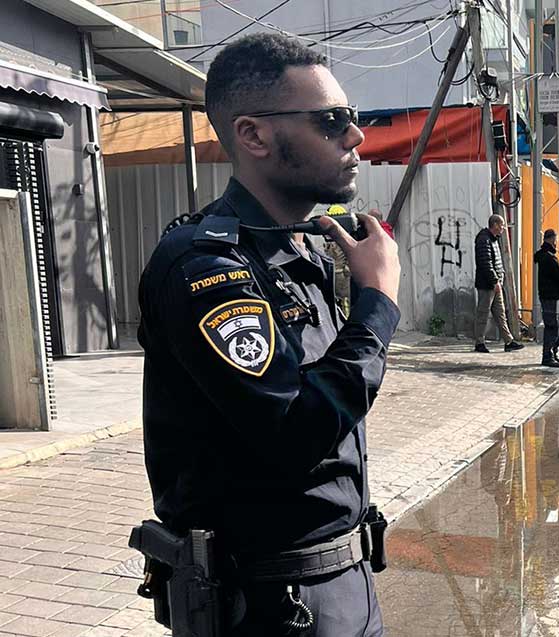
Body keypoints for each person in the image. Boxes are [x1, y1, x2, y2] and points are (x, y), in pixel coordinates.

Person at [135, 33, 397, 635]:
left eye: (353, 119)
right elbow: (292, 434)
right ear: (254, 135)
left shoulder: (300, 249)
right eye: (332, 122)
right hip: (267, 605)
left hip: (343, 584)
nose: (356, 137)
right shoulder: (207, 266)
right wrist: (378, 305)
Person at [474, 213, 523, 353]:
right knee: (483, 314)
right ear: (495, 225)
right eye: (501, 225)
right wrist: (495, 280)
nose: (503, 228)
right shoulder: (484, 239)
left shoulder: (493, 239)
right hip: (487, 284)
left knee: (500, 313)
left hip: (496, 284)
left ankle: (509, 341)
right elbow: (486, 262)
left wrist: (499, 280)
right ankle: (479, 342)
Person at [534, 228, 559, 367]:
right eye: (555, 240)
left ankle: (552, 351)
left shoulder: (542, 255)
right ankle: (548, 356)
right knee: (552, 326)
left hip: (549, 295)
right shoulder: (549, 257)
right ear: (551, 239)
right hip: (551, 296)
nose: (556, 243)